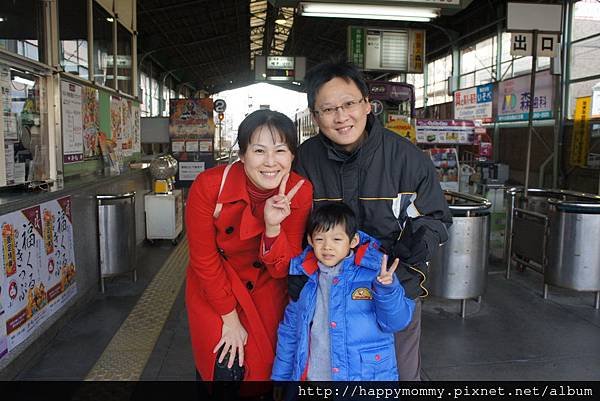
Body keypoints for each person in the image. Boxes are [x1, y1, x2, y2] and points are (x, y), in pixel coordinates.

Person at [293, 60, 452, 381]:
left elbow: (437, 218)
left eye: (349, 104)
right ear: (315, 117)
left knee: (401, 379)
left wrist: (420, 241)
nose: (341, 117)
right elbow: (292, 228)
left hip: (393, 292)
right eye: (328, 109)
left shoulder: (407, 159)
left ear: (367, 104)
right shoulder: (304, 160)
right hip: (326, 295)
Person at [185, 109, 313, 387]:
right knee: (221, 363)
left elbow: (283, 269)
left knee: (266, 366)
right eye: (258, 151)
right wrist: (229, 318)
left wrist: (272, 228)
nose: (270, 162)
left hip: (267, 285)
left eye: (280, 150)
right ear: (242, 155)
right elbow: (203, 258)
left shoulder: (299, 191)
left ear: (292, 155)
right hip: (216, 284)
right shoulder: (209, 186)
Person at [271, 202, 415, 382]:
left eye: (336, 239)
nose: (327, 247)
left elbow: (396, 322)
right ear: (310, 240)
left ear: (353, 241)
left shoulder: (374, 274)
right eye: (320, 239)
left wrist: (387, 290)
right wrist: (280, 379)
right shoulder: (303, 279)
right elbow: (290, 332)